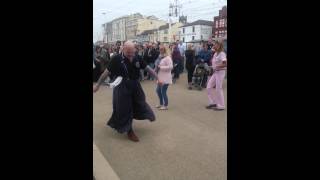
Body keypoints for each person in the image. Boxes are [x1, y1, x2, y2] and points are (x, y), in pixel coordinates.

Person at [93, 41, 160, 142]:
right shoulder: (116, 58)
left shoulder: (137, 57)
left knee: (140, 103)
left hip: (135, 85)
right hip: (122, 86)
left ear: (134, 50)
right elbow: (106, 73)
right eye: (128, 52)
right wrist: (97, 85)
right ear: (123, 49)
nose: (130, 54)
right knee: (125, 108)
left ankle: (144, 115)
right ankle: (129, 130)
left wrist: (157, 77)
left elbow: (147, 68)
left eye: (132, 52)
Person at [206, 41, 227, 111]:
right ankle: (213, 102)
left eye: (216, 45)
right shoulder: (215, 54)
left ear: (220, 46)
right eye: (214, 45)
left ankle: (221, 106)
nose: (214, 46)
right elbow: (214, 63)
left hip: (220, 72)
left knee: (218, 88)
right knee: (208, 87)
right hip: (215, 72)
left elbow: (225, 64)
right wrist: (212, 67)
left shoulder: (222, 54)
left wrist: (216, 66)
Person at [155, 45, 173, 110]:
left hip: (166, 78)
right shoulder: (160, 57)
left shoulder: (168, 58)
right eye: (160, 49)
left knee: (163, 91)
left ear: (165, 50)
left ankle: (165, 105)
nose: (160, 50)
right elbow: (157, 64)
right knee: (158, 90)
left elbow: (171, 67)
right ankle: (161, 103)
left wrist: (161, 67)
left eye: (162, 49)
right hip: (160, 77)